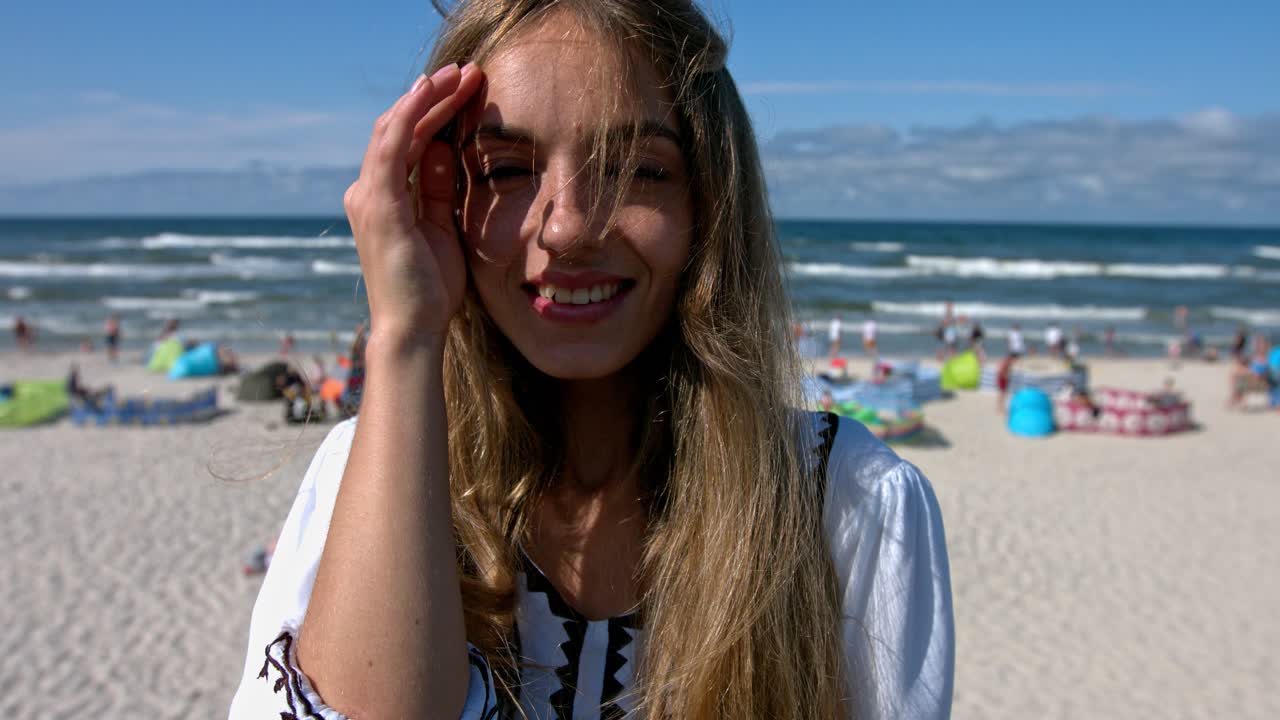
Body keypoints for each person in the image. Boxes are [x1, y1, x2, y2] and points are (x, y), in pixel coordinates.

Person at [230, 3, 953, 719]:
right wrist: (405, 337)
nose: (569, 226)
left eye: (638, 169)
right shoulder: (368, 470)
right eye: (507, 170)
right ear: (443, 199)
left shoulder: (847, 503)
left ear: (709, 203)